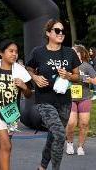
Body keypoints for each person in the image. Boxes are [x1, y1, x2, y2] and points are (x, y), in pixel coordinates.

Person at [26, 19, 80, 170]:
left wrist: (68, 75)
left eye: (63, 31)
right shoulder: (38, 52)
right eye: (57, 30)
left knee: (54, 135)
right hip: (45, 100)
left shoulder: (70, 53)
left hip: (64, 100)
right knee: (59, 134)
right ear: (48, 33)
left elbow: (77, 77)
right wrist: (35, 78)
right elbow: (28, 68)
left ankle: (42, 167)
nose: (61, 33)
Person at [0, 40, 32, 170]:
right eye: (11, 51)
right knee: (7, 146)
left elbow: (28, 94)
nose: (14, 54)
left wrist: (24, 86)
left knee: (3, 146)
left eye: (16, 51)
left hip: (11, 114)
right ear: (1, 53)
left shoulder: (21, 71)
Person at [65, 45, 96, 156]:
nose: (74, 54)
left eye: (76, 52)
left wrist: (86, 79)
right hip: (70, 98)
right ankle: (70, 143)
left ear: (81, 54)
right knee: (71, 123)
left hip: (84, 98)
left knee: (84, 123)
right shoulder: (67, 66)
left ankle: (80, 146)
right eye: (72, 52)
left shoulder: (86, 66)